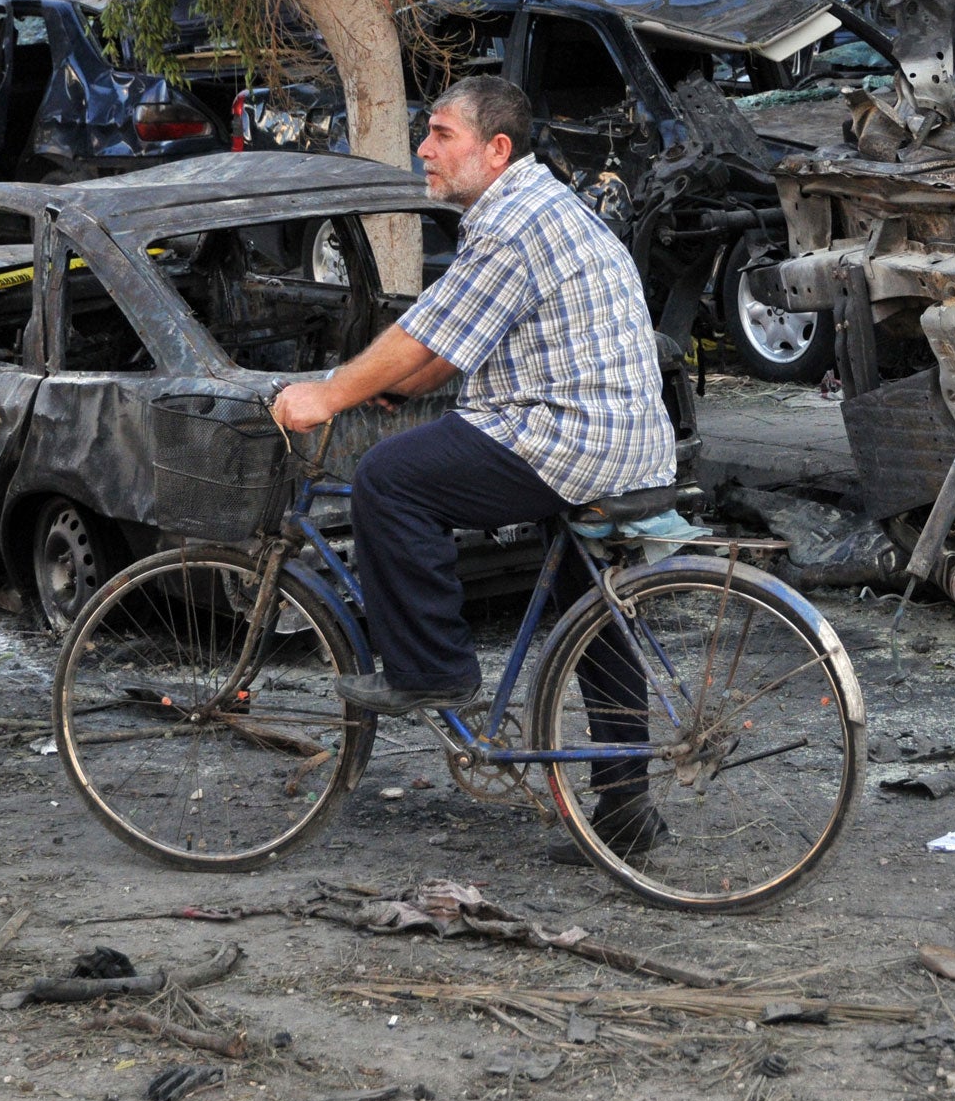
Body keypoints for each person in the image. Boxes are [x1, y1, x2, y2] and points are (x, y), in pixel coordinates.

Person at [272, 74, 676, 860]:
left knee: (390, 480)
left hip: (568, 437)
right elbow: (444, 350)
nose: (424, 147)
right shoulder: (538, 205)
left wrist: (328, 395)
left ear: (497, 150)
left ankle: (431, 670)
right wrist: (383, 386)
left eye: (442, 135)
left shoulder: (510, 222)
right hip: (625, 441)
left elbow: (423, 336)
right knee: (588, 618)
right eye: (426, 133)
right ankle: (626, 811)